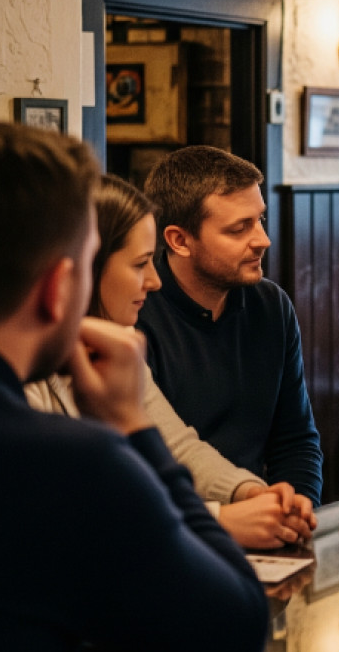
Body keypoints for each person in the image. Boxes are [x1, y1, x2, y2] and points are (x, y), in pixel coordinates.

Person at [0, 123, 268, 652]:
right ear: (61, 288)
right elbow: (231, 630)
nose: (153, 281)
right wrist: (130, 428)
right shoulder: (67, 463)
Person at [26, 174, 313, 550]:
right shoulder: (19, 375)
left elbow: (179, 449)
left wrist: (254, 495)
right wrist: (218, 520)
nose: (154, 280)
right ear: (81, 270)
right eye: (140, 264)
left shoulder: (110, 348)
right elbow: (60, 514)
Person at [137, 145, 324, 509]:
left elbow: (296, 440)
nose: (263, 240)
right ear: (179, 240)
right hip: (176, 525)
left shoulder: (270, 305)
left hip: (263, 513)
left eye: (260, 220)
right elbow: (155, 460)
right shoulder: (136, 313)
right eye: (239, 229)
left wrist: (298, 511)